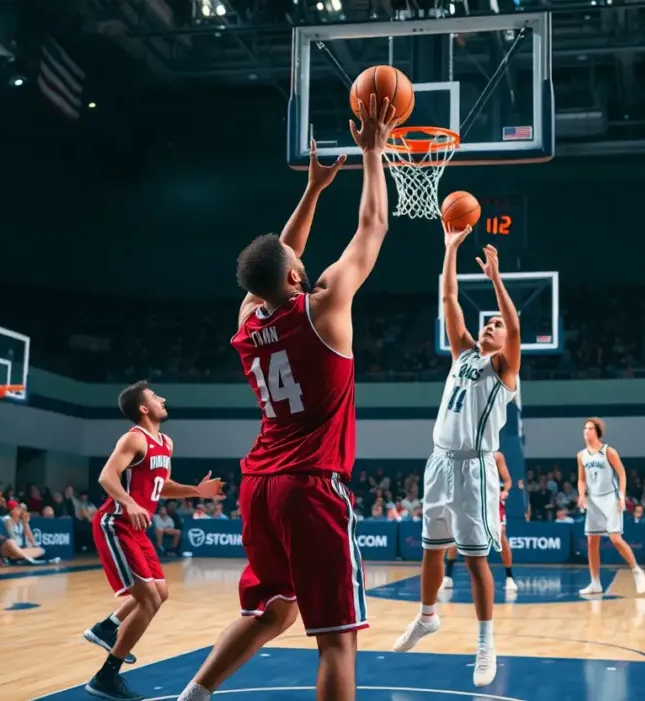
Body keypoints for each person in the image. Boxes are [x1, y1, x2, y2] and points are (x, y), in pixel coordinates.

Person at [174, 95, 396, 701]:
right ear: (297, 278)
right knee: (338, 639)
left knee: (273, 611)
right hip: (310, 485)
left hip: (260, 486)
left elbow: (275, 262)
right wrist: (374, 151)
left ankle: (191, 696)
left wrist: (315, 191)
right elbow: (373, 226)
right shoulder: (324, 309)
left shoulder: (249, 320)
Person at [391, 231, 521, 688]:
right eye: (487, 323)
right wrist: (448, 247)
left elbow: (515, 328)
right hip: (439, 461)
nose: (490, 326)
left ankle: (487, 644)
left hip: (475, 467)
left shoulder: (504, 369)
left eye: (496, 325)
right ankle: (427, 617)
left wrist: (496, 279)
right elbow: (448, 298)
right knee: (430, 549)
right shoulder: (463, 354)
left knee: (475, 561)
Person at [84, 381, 223, 701]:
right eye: (155, 397)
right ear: (143, 409)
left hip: (137, 527)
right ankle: (106, 676)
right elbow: (107, 476)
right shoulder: (134, 438)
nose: (163, 399)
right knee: (147, 598)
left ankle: (107, 627)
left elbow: (162, 486)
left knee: (160, 593)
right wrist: (130, 502)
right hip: (116, 522)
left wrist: (196, 491)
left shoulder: (166, 443)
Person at [576, 418, 645, 597]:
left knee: (615, 539)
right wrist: (582, 495)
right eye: (585, 428)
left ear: (598, 431)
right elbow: (581, 479)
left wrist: (622, 496)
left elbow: (622, 474)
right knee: (592, 542)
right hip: (593, 501)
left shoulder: (608, 451)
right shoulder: (581, 455)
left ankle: (636, 570)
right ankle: (595, 583)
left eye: (590, 429)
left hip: (610, 498)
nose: (586, 431)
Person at [440, 451, 518, 593]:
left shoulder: (497, 456)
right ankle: (448, 577)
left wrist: (505, 491)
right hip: (471, 499)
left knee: (500, 535)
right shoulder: (466, 455)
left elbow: (507, 480)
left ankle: (509, 577)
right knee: (457, 537)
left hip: (492, 501)